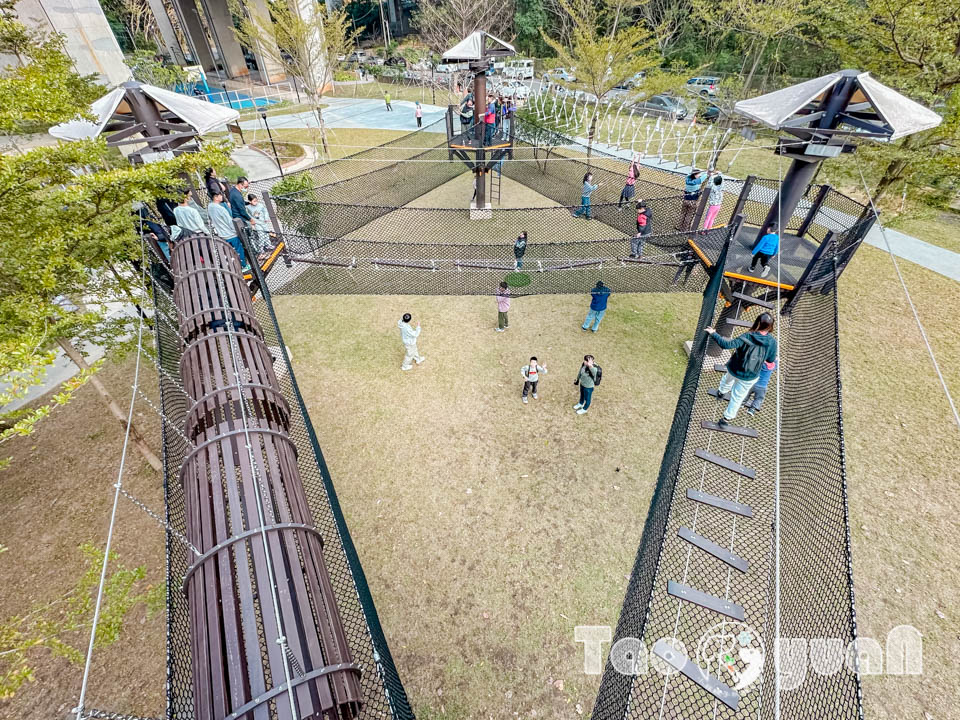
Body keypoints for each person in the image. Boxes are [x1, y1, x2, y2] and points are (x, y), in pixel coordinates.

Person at [705, 312, 777, 425]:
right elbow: (771, 360)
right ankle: (726, 419)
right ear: (770, 326)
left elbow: (726, 345)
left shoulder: (747, 336)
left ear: (757, 323)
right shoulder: (772, 342)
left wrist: (714, 333)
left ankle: (721, 392)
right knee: (738, 397)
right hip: (750, 376)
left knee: (727, 380)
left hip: (734, 369)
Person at [207, 191, 249, 269]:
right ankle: (243, 266)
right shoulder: (221, 209)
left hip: (221, 235)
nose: (222, 196)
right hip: (231, 234)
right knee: (239, 250)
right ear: (216, 197)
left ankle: (234, 267)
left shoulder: (210, 207)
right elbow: (230, 222)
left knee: (229, 252)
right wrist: (237, 231)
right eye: (220, 195)